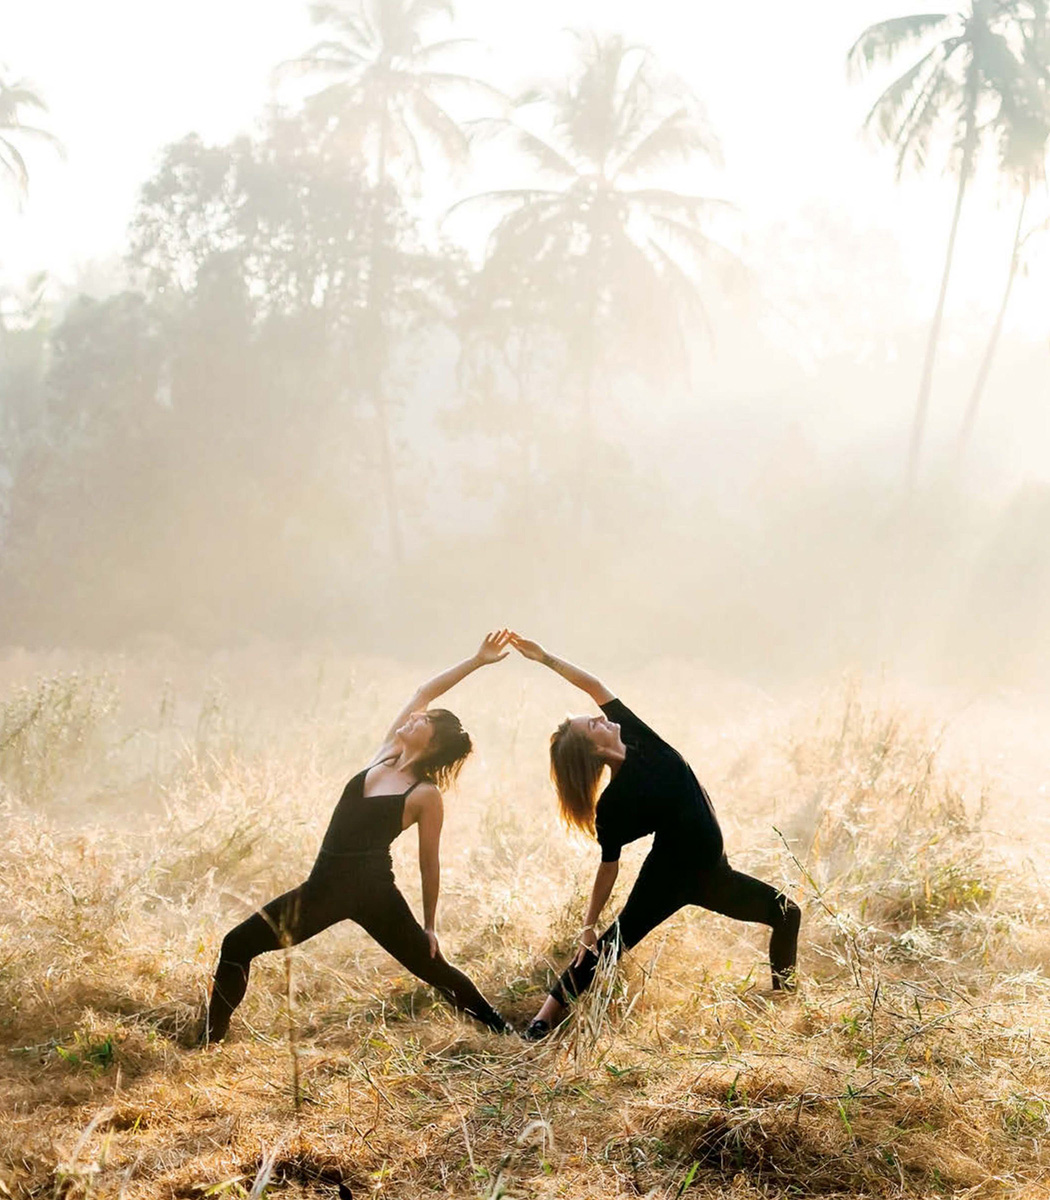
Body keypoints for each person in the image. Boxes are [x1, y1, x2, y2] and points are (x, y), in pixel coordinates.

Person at [202, 632, 513, 1043]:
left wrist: (431, 925)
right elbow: (424, 690)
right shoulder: (385, 754)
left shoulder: (424, 795)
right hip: (319, 892)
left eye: (424, 721)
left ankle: (506, 1032)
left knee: (433, 968)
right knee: (237, 944)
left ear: (433, 742)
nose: (414, 716)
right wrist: (476, 661)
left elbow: (428, 862)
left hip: (373, 895)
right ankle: (209, 1038)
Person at [509, 633, 800, 1040]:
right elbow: (608, 867)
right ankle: (543, 1020)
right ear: (593, 750)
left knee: (786, 913)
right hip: (666, 880)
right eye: (593, 724)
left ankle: (788, 1004)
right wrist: (588, 925)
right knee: (606, 949)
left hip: (716, 875)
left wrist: (544, 658)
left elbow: (592, 685)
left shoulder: (636, 736)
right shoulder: (613, 805)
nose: (601, 717)